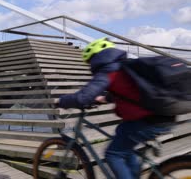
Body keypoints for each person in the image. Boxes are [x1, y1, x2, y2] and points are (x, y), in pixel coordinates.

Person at [56, 38, 174, 179]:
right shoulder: (123, 66)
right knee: (122, 133)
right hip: (163, 114)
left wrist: (60, 101)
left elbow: (83, 98)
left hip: (150, 120)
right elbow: (130, 90)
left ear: (95, 58)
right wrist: (105, 98)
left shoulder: (108, 70)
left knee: (113, 155)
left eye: (89, 62)